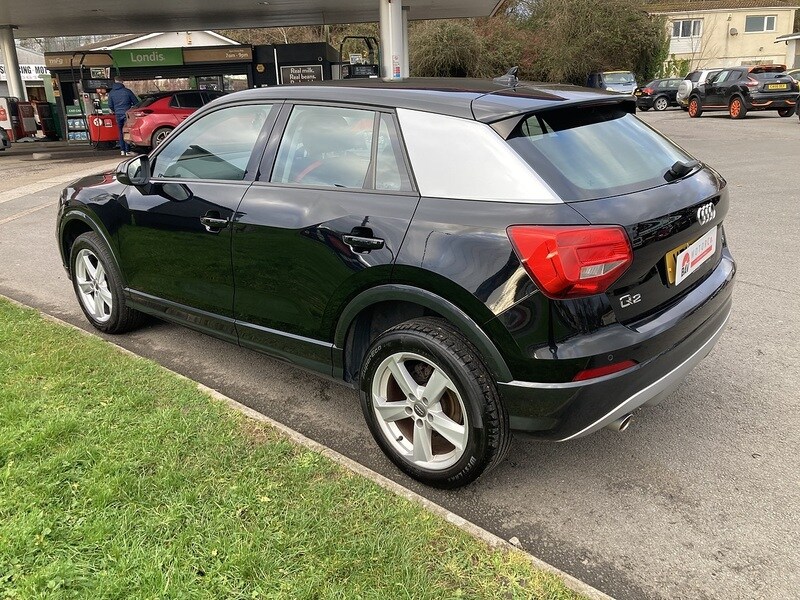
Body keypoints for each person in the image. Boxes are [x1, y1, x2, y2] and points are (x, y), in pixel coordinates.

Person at [107, 77, 139, 156]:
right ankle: (128, 150)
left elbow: (110, 105)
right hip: (126, 114)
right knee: (126, 131)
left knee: (120, 132)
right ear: (122, 82)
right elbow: (136, 102)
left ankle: (122, 150)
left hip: (118, 114)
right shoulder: (127, 91)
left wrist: (115, 110)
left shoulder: (111, 93)